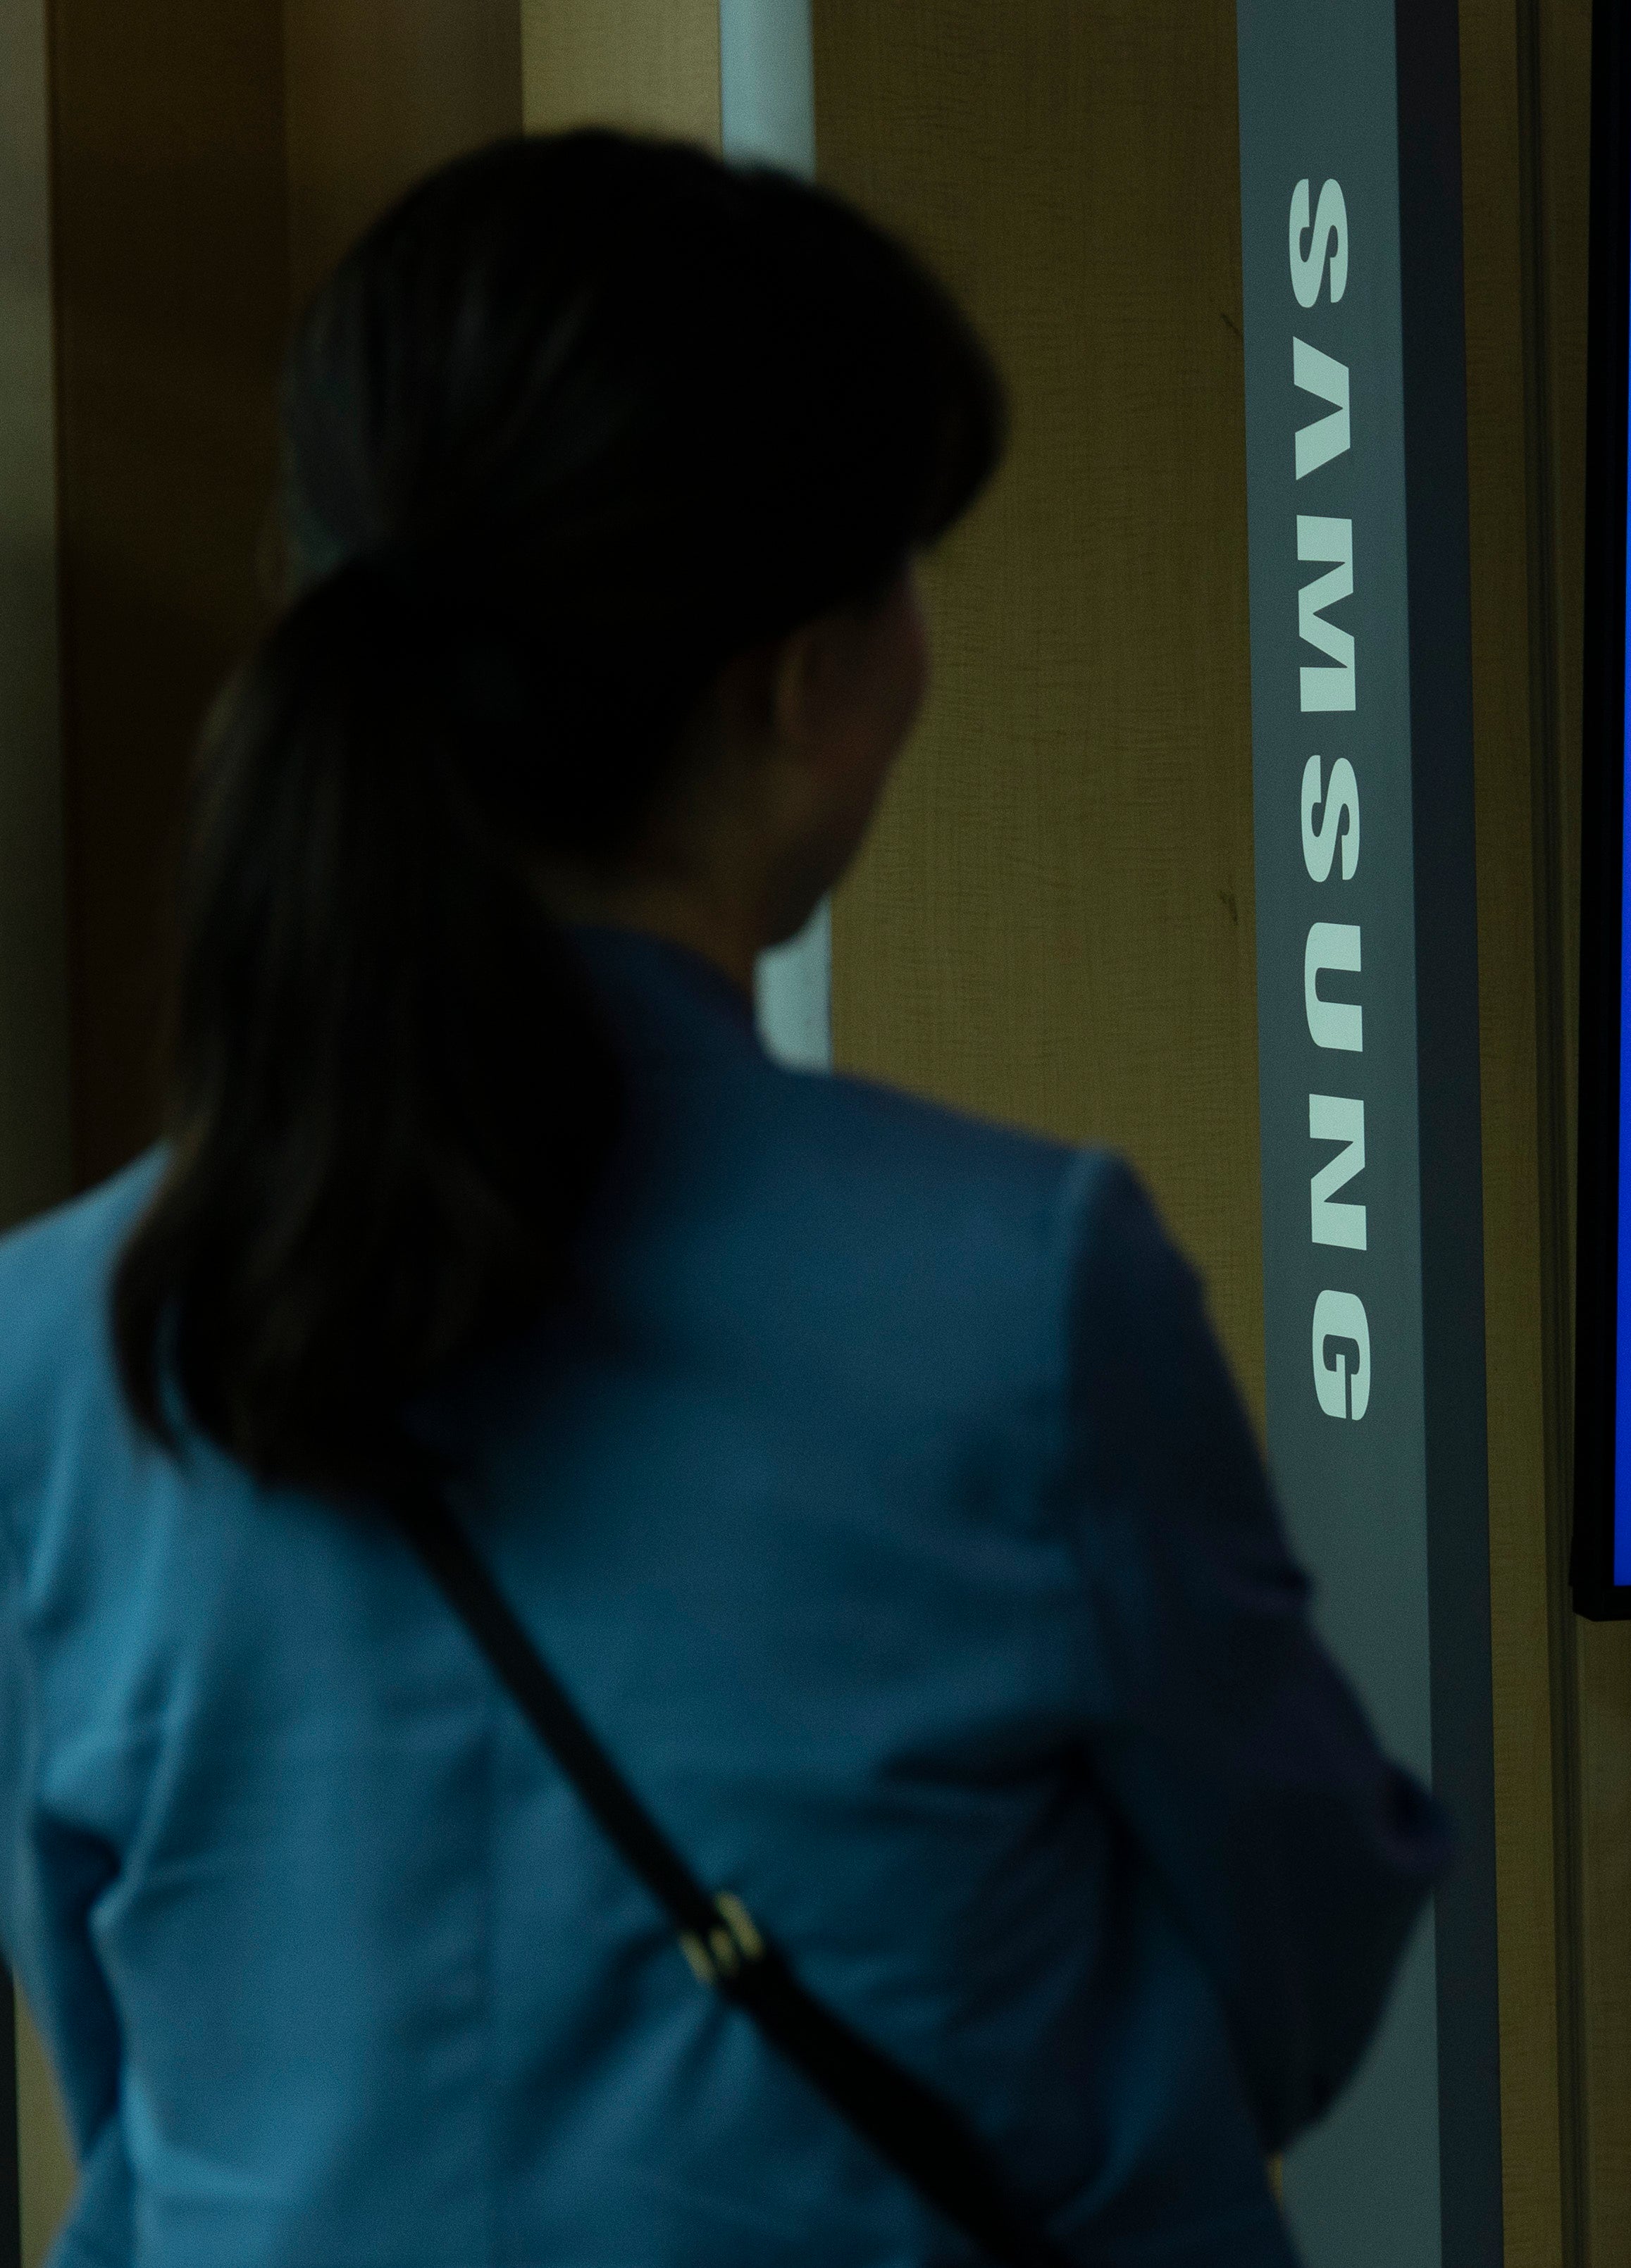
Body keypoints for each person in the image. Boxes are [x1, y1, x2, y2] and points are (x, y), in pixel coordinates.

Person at [0, 132, 1441, 2263]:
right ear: (800, 680)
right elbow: (1300, 1974)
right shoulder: (1022, 1292)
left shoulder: (55, 1342)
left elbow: (128, 2056)